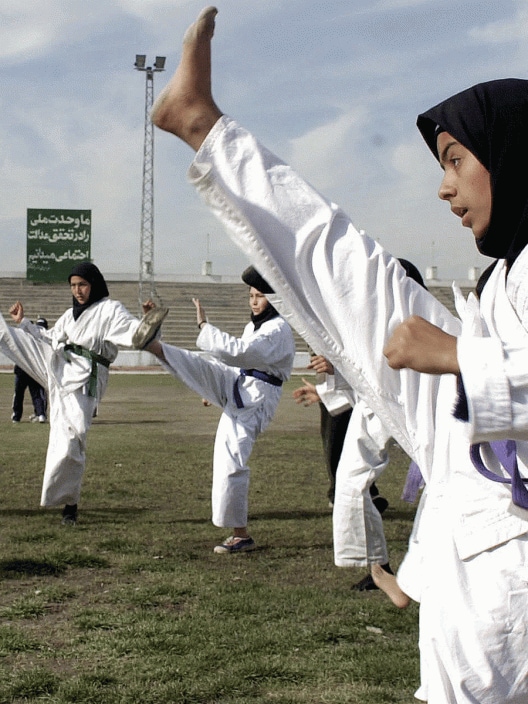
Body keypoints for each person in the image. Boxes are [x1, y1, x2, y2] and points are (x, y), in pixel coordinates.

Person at [149, 8, 528, 702]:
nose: (443, 187)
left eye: (455, 161)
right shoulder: (507, 272)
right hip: (477, 525)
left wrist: (454, 356)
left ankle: (204, 126)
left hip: (511, 556)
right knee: (356, 273)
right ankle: (204, 127)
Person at [0, 262, 166, 525]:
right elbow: (49, 338)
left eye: (83, 285)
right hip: (59, 364)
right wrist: (24, 323)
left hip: (85, 378)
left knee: (70, 441)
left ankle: (70, 505)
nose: (78, 291)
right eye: (74, 286)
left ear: (94, 284)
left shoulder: (110, 309)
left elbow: (135, 332)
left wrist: (148, 320)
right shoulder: (69, 315)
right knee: (9, 337)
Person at [145, 266, 295, 553]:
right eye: (251, 295)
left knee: (231, 460)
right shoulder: (256, 326)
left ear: (274, 299)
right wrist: (211, 390)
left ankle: (241, 534)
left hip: (256, 398)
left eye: (260, 296)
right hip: (240, 385)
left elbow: (239, 352)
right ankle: (156, 347)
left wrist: (204, 326)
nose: (254, 301)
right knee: (201, 365)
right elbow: (236, 360)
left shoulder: (278, 329)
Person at [11, 317, 49, 424]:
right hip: (35, 368)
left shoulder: (25, 337)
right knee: (37, 393)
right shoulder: (45, 337)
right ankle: (41, 414)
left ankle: (16, 416)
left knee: (19, 393)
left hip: (22, 368)